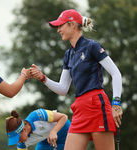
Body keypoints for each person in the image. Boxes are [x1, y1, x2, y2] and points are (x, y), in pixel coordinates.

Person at [29, 9, 123, 150]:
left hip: (96, 106)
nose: (58, 30)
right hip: (79, 108)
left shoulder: (92, 46)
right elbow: (63, 89)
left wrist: (116, 103)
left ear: (72, 24)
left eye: (61, 26)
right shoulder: (68, 54)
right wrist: (43, 78)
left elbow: (116, 74)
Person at [6, 109, 71, 150]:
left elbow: (64, 117)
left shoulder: (37, 115)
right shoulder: (22, 143)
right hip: (46, 142)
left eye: (18, 138)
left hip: (66, 132)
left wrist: (54, 131)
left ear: (24, 129)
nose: (18, 142)